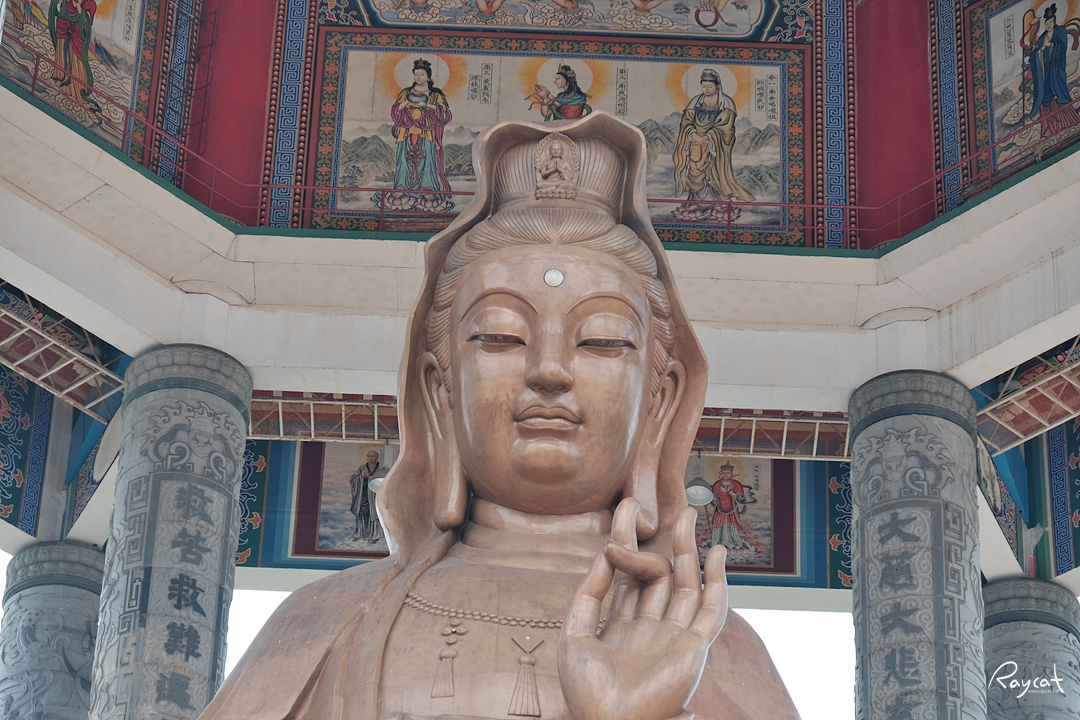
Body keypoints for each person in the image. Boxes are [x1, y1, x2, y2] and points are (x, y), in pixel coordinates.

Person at [200, 113, 801, 720]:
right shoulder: (324, 622)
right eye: (501, 336)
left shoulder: (708, 646)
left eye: (601, 341)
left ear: (660, 403)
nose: (549, 370)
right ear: (439, 392)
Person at [672, 68, 754, 223]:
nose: (706, 89)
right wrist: (693, 134)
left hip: (715, 145)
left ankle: (719, 203)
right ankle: (695, 202)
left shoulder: (726, 103)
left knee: (715, 171)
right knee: (694, 170)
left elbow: (726, 127)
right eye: (703, 86)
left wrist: (710, 136)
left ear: (717, 86)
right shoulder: (696, 101)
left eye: (709, 86)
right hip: (695, 143)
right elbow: (686, 122)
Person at [389, 58, 453, 210]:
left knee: (427, 160)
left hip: (427, 132)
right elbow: (396, 109)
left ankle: (428, 189)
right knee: (404, 159)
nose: (418, 77)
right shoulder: (406, 92)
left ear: (428, 77)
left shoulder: (435, 94)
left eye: (422, 74)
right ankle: (401, 187)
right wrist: (407, 102)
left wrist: (426, 105)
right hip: (407, 131)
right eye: (416, 74)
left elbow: (444, 110)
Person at [1028, 4, 1080, 138]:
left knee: (1058, 94)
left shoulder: (1060, 31)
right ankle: (1049, 129)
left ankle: (1067, 122)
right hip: (1044, 72)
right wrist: (1041, 49)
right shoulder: (1042, 38)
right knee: (1045, 96)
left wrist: (1051, 45)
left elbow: (1063, 47)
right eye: (1046, 23)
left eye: (1050, 22)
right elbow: (1035, 54)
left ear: (1054, 21)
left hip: (1055, 71)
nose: (1048, 25)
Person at [48, 0, 101, 111]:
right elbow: (61, 7)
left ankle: (75, 91)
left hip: (77, 35)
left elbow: (87, 22)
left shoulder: (90, 4)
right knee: (62, 51)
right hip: (64, 27)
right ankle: (58, 77)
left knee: (75, 59)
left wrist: (80, 11)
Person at [709, 462, 750, 549]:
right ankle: (717, 542)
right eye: (723, 473)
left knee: (732, 525)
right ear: (720, 474)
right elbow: (712, 496)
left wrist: (730, 492)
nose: (725, 475)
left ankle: (733, 542)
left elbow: (741, 498)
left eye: (727, 473)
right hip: (719, 509)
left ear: (732, 474)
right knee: (719, 525)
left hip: (732, 509)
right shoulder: (718, 484)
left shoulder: (736, 484)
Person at [348, 450, 385, 542]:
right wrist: (361, 477)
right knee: (361, 515)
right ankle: (359, 533)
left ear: (377, 458)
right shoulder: (362, 467)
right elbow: (353, 478)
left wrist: (369, 477)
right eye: (368, 456)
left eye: (372, 456)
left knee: (375, 515)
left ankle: (375, 535)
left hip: (374, 498)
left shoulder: (381, 468)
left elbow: (384, 481)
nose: (369, 458)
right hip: (363, 496)